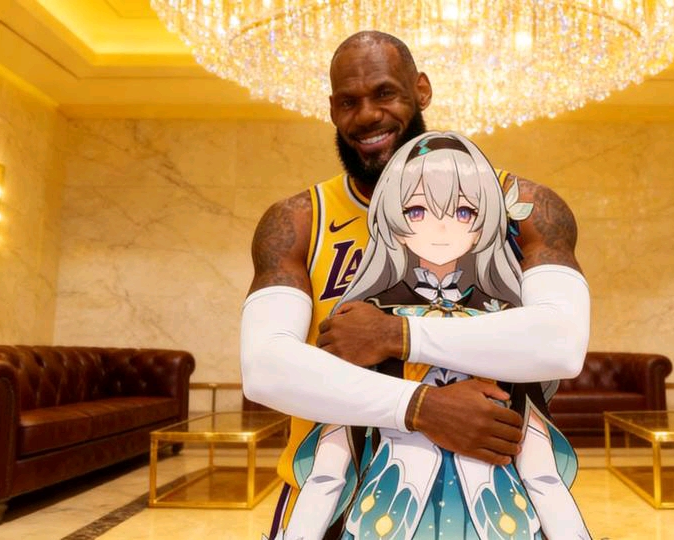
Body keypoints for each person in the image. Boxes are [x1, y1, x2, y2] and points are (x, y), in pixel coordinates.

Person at [239, 31, 590, 539]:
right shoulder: (298, 220)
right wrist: (419, 408)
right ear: (332, 109)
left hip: (497, 503)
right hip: (335, 504)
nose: (367, 115)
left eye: (385, 93)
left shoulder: (524, 207)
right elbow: (265, 368)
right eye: (348, 102)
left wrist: (397, 336)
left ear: (421, 90)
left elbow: (562, 344)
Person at [286, 131, 590, 539]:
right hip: (389, 510)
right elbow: (330, 466)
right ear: (391, 221)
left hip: (496, 512)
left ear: (486, 223)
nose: (441, 226)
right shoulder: (362, 324)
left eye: (464, 212)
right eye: (415, 210)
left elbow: (541, 470)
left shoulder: (509, 324)